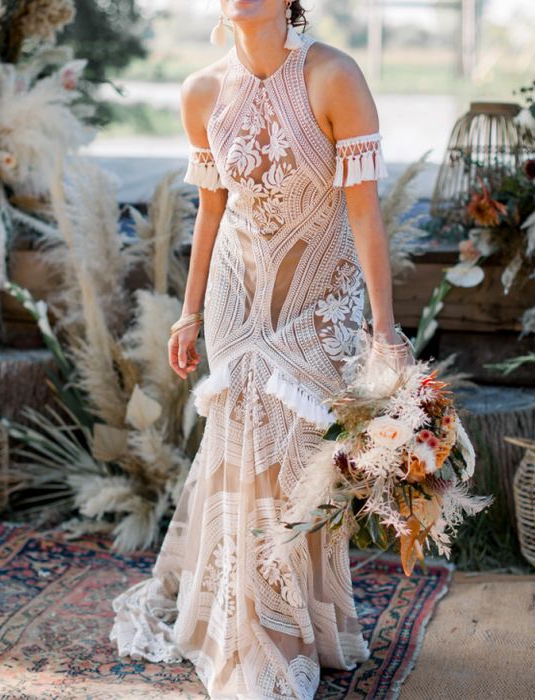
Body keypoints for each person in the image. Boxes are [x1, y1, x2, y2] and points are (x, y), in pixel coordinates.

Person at [110, 1, 408, 697]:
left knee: (301, 463)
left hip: (320, 299)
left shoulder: (334, 76)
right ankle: (254, 636)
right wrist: (188, 314)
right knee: (244, 460)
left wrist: (384, 327)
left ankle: (298, 622)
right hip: (237, 306)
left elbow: (363, 212)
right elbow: (211, 212)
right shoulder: (201, 92)